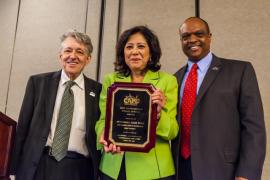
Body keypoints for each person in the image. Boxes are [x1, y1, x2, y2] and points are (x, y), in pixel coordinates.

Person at [171, 17, 266, 180]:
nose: (192, 39)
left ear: (210, 37)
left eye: (199, 34)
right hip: (181, 169)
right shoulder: (174, 79)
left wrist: (247, 173)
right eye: (186, 36)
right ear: (181, 41)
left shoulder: (240, 71)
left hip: (223, 170)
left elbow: (254, 128)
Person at [11, 30, 101, 180]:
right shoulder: (38, 83)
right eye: (68, 50)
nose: (73, 56)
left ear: (88, 59)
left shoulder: (98, 91)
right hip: (39, 165)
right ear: (60, 56)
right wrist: (13, 170)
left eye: (79, 51)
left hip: (80, 169)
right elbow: (22, 129)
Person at [95, 26, 179, 180]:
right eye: (129, 47)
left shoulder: (168, 81)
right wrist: (104, 136)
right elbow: (102, 120)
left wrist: (158, 114)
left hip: (154, 169)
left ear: (151, 52)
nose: (134, 52)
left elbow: (172, 131)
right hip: (114, 165)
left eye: (141, 46)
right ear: (123, 53)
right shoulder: (111, 80)